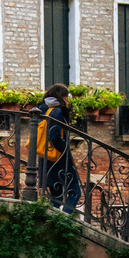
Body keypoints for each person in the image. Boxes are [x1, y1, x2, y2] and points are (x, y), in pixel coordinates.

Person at [36, 83, 82, 215]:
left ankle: (51, 220)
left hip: (47, 158)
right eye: (66, 97)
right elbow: (55, 136)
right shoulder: (56, 111)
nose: (68, 100)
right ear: (61, 97)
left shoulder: (44, 110)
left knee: (56, 196)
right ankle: (64, 218)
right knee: (75, 192)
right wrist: (66, 149)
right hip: (58, 160)